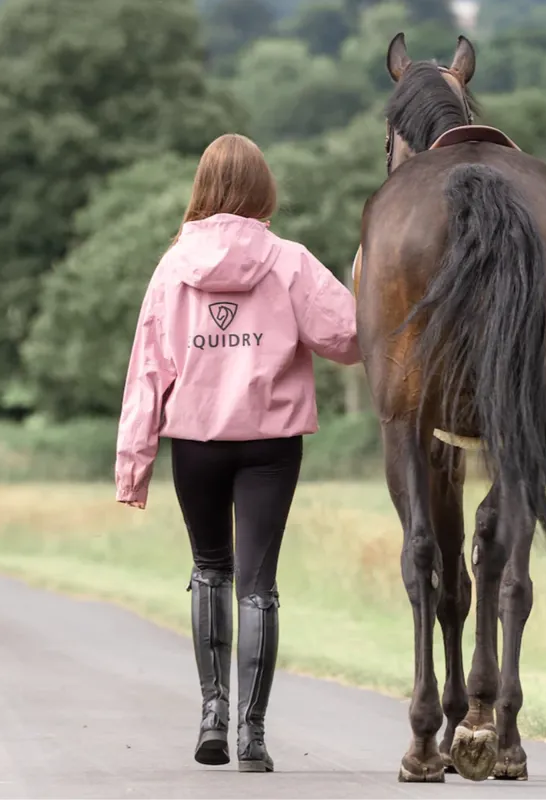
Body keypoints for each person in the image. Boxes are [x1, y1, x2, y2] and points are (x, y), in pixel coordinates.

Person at [114, 133, 361, 772]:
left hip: (195, 443)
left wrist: (134, 461)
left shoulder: (173, 267)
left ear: (202, 188)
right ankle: (252, 734)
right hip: (270, 447)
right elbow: (351, 336)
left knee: (209, 570)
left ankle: (212, 716)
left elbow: (148, 368)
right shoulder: (290, 261)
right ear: (262, 190)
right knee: (257, 584)